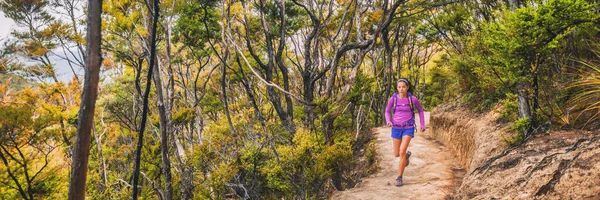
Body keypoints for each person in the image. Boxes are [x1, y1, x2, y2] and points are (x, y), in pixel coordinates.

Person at [385, 78, 425, 187]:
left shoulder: (413, 99)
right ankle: (405, 157)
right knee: (397, 154)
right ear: (397, 88)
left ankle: (399, 177)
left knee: (402, 151)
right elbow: (387, 111)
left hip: (408, 127)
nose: (401, 89)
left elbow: (421, 111)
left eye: (403, 87)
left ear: (407, 87)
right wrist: (388, 121)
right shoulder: (393, 99)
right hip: (396, 128)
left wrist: (422, 125)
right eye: (399, 87)